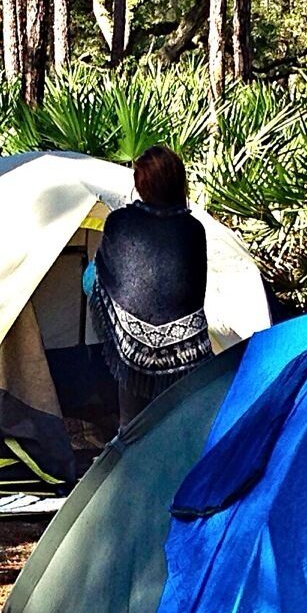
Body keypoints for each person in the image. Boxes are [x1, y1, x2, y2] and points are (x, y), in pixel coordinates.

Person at [86, 145, 211, 424]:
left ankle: (130, 455)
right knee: (181, 427)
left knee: (133, 430)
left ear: (141, 183)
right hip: (186, 356)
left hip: (133, 353)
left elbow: (102, 278)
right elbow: (194, 293)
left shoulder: (120, 222)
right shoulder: (192, 229)